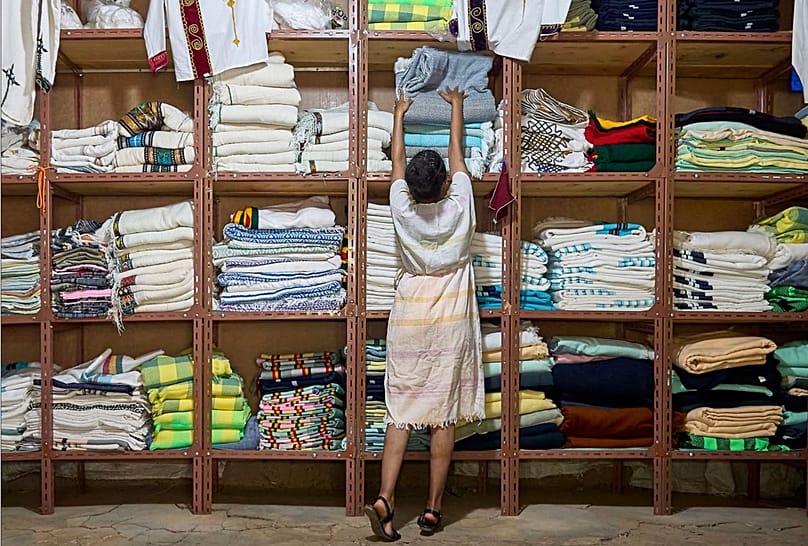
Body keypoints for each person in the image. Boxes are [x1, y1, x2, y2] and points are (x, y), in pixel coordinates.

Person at [364, 85, 485, 542]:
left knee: (401, 411)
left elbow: (396, 164)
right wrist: (455, 109)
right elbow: (458, 158)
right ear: (446, 184)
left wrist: (398, 115)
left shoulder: (401, 209)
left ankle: (385, 497)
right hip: (451, 316)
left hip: (409, 315)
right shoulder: (460, 205)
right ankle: (433, 509)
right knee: (442, 416)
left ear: (412, 188)